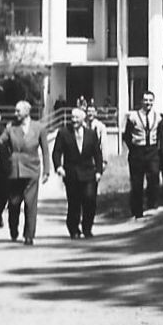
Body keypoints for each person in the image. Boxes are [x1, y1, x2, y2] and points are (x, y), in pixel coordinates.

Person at [52, 101, 106, 239]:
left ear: (83, 119)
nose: (74, 120)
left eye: (77, 118)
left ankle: (87, 228)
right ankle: (73, 229)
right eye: (72, 118)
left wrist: (99, 171)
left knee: (90, 200)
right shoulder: (64, 133)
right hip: (71, 173)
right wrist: (59, 167)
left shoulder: (91, 134)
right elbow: (56, 152)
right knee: (74, 203)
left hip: (89, 173)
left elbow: (97, 154)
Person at [0, 100, 51, 245]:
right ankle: (13, 229)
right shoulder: (11, 127)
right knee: (14, 203)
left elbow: (45, 151)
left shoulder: (39, 127)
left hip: (32, 169)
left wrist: (47, 170)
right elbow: (1, 141)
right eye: (15, 111)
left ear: (27, 112)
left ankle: (29, 235)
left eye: (18, 111)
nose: (15, 114)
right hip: (15, 169)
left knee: (30, 203)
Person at [121, 89, 163, 218]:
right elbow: (127, 136)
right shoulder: (133, 117)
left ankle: (151, 203)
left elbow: (161, 135)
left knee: (154, 176)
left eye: (150, 100)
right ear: (141, 101)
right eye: (145, 100)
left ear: (153, 101)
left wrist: (158, 149)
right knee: (137, 182)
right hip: (137, 151)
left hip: (152, 151)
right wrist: (133, 148)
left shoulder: (158, 117)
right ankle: (137, 210)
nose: (148, 103)